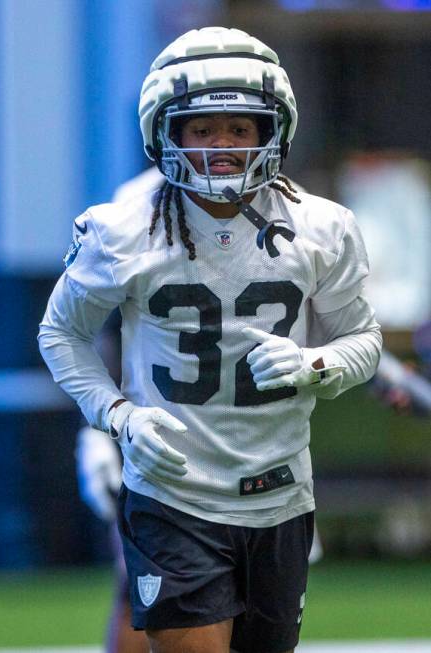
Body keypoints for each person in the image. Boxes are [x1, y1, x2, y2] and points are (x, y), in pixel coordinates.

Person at [40, 27, 382, 653]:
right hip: (173, 494)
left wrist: (318, 362)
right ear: (166, 133)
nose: (222, 147)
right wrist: (115, 416)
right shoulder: (123, 229)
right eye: (203, 129)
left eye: (239, 128)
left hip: (279, 493)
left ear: (271, 131)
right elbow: (61, 334)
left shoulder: (322, 227)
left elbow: (363, 339)